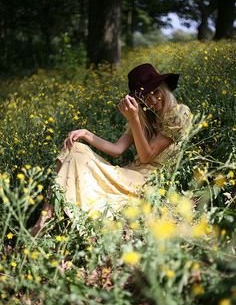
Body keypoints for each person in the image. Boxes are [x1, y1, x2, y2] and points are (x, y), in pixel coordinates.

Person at [31, 63, 193, 236]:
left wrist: (134, 120)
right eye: (146, 96)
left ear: (164, 88)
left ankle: (48, 220)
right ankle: (44, 218)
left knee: (79, 161)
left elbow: (147, 157)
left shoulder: (179, 113)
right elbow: (117, 150)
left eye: (155, 92)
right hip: (129, 174)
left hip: (148, 181)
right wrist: (86, 133)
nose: (152, 100)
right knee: (75, 148)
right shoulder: (143, 118)